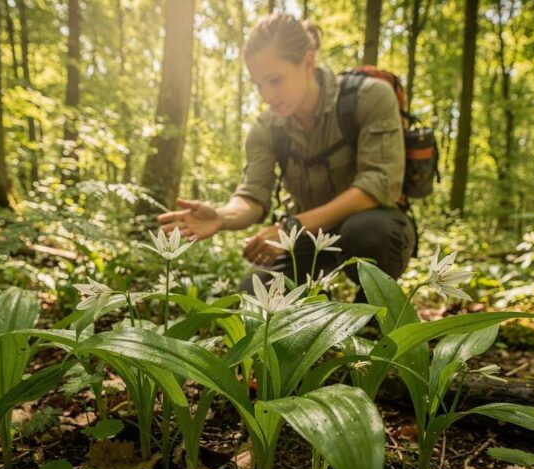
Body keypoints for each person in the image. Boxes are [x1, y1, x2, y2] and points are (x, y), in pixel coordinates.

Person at [156, 12, 416, 301]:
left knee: (371, 233)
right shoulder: (266, 128)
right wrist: (221, 216)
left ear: (307, 62)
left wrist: (291, 226)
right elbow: (253, 196)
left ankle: (375, 311)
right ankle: (316, 313)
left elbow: (378, 185)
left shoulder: (370, 97)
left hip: (365, 227)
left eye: (275, 80)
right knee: (256, 295)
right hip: (305, 235)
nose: (267, 95)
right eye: (258, 84)